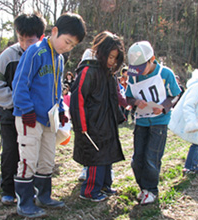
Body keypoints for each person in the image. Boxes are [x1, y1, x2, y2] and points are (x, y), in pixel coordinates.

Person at [12, 12, 86, 218]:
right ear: (54, 32)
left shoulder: (60, 59)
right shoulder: (35, 52)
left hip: (48, 118)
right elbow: (19, 84)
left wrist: (61, 109)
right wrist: (26, 110)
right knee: (29, 159)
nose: (68, 47)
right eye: (67, 41)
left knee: (47, 158)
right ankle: (25, 202)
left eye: (72, 45)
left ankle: (43, 195)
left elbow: (56, 89)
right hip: (29, 118)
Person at [0, 13, 46, 206]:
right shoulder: (8, 55)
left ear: (41, 37)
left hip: (34, 115)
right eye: (20, 38)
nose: (23, 44)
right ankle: (8, 190)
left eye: (29, 40)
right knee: (10, 151)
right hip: (9, 113)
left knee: (31, 152)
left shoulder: (45, 56)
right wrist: (15, 101)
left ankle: (31, 189)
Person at [70, 31, 125, 202]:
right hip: (91, 125)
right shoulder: (88, 70)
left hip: (107, 123)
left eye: (115, 59)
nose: (112, 62)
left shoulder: (109, 73)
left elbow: (113, 97)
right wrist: (81, 127)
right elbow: (78, 98)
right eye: (110, 57)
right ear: (100, 52)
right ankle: (90, 191)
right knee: (96, 158)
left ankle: (105, 186)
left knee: (107, 156)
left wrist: (118, 116)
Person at [125, 41, 181, 205]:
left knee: (152, 157)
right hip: (141, 121)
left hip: (159, 122)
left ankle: (151, 190)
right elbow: (128, 96)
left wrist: (163, 107)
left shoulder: (165, 74)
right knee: (137, 159)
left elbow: (176, 94)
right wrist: (135, 102)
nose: (140, 72)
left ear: (152, 60)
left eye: (143, 67)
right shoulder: (133, 77)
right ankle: (143, 188)